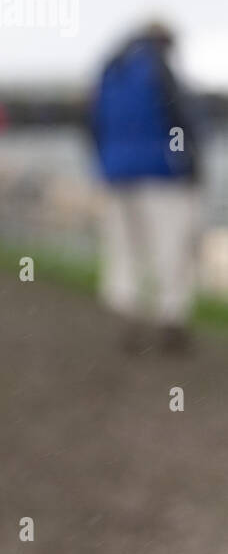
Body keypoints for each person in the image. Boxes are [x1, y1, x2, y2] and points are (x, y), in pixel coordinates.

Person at [88, 21, 205, 354]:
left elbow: (93, 123)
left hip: (116, 174)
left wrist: (104, 164)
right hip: (163, 175)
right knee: (171, 248)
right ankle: (171, 319)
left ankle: (127, 315)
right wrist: (191, 165)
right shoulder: (159, 67)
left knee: (124, 248)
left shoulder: (110, 68)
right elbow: (181, 120)